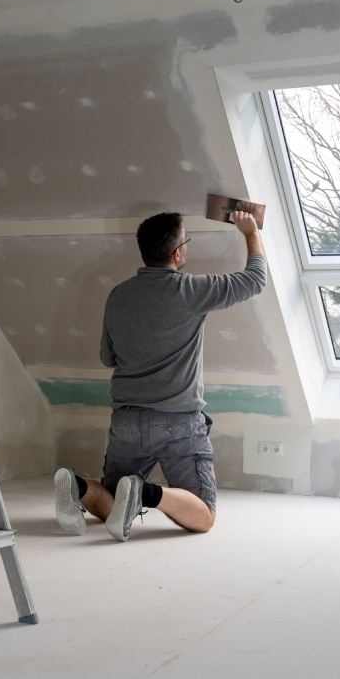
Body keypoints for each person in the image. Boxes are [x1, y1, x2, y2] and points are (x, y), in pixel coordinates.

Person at [53, 209, 266, 541]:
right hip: (177, 423)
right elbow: (255, 280)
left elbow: (107, 357)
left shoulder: (118, 295)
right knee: (204, 515)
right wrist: (250, 233)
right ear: (178, 252)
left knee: (111, 504)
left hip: (126, 421)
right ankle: (146, 494)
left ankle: (78, 486)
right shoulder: (192, 290)